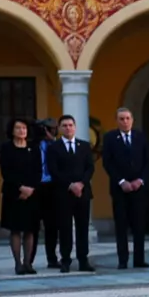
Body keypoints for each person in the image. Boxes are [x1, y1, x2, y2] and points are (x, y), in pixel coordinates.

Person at [102, 107, 149, 269]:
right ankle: (122, 260)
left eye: (127, 118)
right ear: (117, 121)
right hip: (120, 189)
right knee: (121, 225)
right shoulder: (110, 138)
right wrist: (122, 181)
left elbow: (148, 161)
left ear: (132, 120)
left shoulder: (140, 137)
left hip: (139, 188)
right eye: (121, 119)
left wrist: (140, 180)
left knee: (139, 225)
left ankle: (139, 259)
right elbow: (107, 163)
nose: (125, 121)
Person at [51, 114, 95, 273]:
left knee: (83, 228)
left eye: (70, 125)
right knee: (65, 228)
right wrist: (70, 185)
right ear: (60, 128)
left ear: (75, 127)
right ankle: (66, 260)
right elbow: (53, 170)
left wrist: (81, 184)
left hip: (83, 192)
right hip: (63, 193)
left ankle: (83, 260)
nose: (68, 128)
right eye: (64, 125)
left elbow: (90, 167)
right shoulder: (54, 147)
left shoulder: (84, 146)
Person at [0, 118, 41, 275]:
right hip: (13, 193)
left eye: (24, 128)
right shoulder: (6, 148)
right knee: (15, 229)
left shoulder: (33, 148)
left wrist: (30, 189)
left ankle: (28, 263)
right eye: (18, 128)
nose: (22, 131)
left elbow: (38, 171)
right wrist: (20, 188)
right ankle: (18, 263)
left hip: (32, 194)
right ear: (12, 130)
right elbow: (6, 171)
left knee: (30, 229)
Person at [30, 119, 61, 270]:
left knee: (52, 226)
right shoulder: (33, 145)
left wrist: (52, 139)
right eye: (49, 129)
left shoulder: (55, 145)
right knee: (33, 226)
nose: (53, 131)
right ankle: (29, 260)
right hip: (36, 187)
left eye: (55, 129)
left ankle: (52, 258)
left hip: (52, 187)